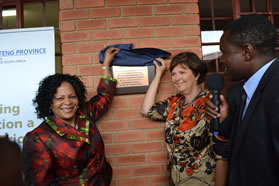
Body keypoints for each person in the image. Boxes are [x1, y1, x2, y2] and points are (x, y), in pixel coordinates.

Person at [22, 47, 119, 185]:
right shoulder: (38, 138)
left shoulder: (84, 114)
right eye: (60, 98)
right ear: (49, 103)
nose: (67, 102)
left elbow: (105, 96)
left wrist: (106, 65)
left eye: (72, 97)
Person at [205, 14, 279, 186]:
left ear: (247, 52)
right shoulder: (240, 92)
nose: (221, 60)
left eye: (224, 52)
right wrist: (223, 122)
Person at [141, 52, 228, 186]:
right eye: (174, 74)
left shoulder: (210, 104)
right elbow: (147, 110)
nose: (176, 78)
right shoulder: (174, 103)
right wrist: (159, 74)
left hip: (202, 181)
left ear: (196, 75)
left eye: (182, 72)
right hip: (176, 180)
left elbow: (222, 154)